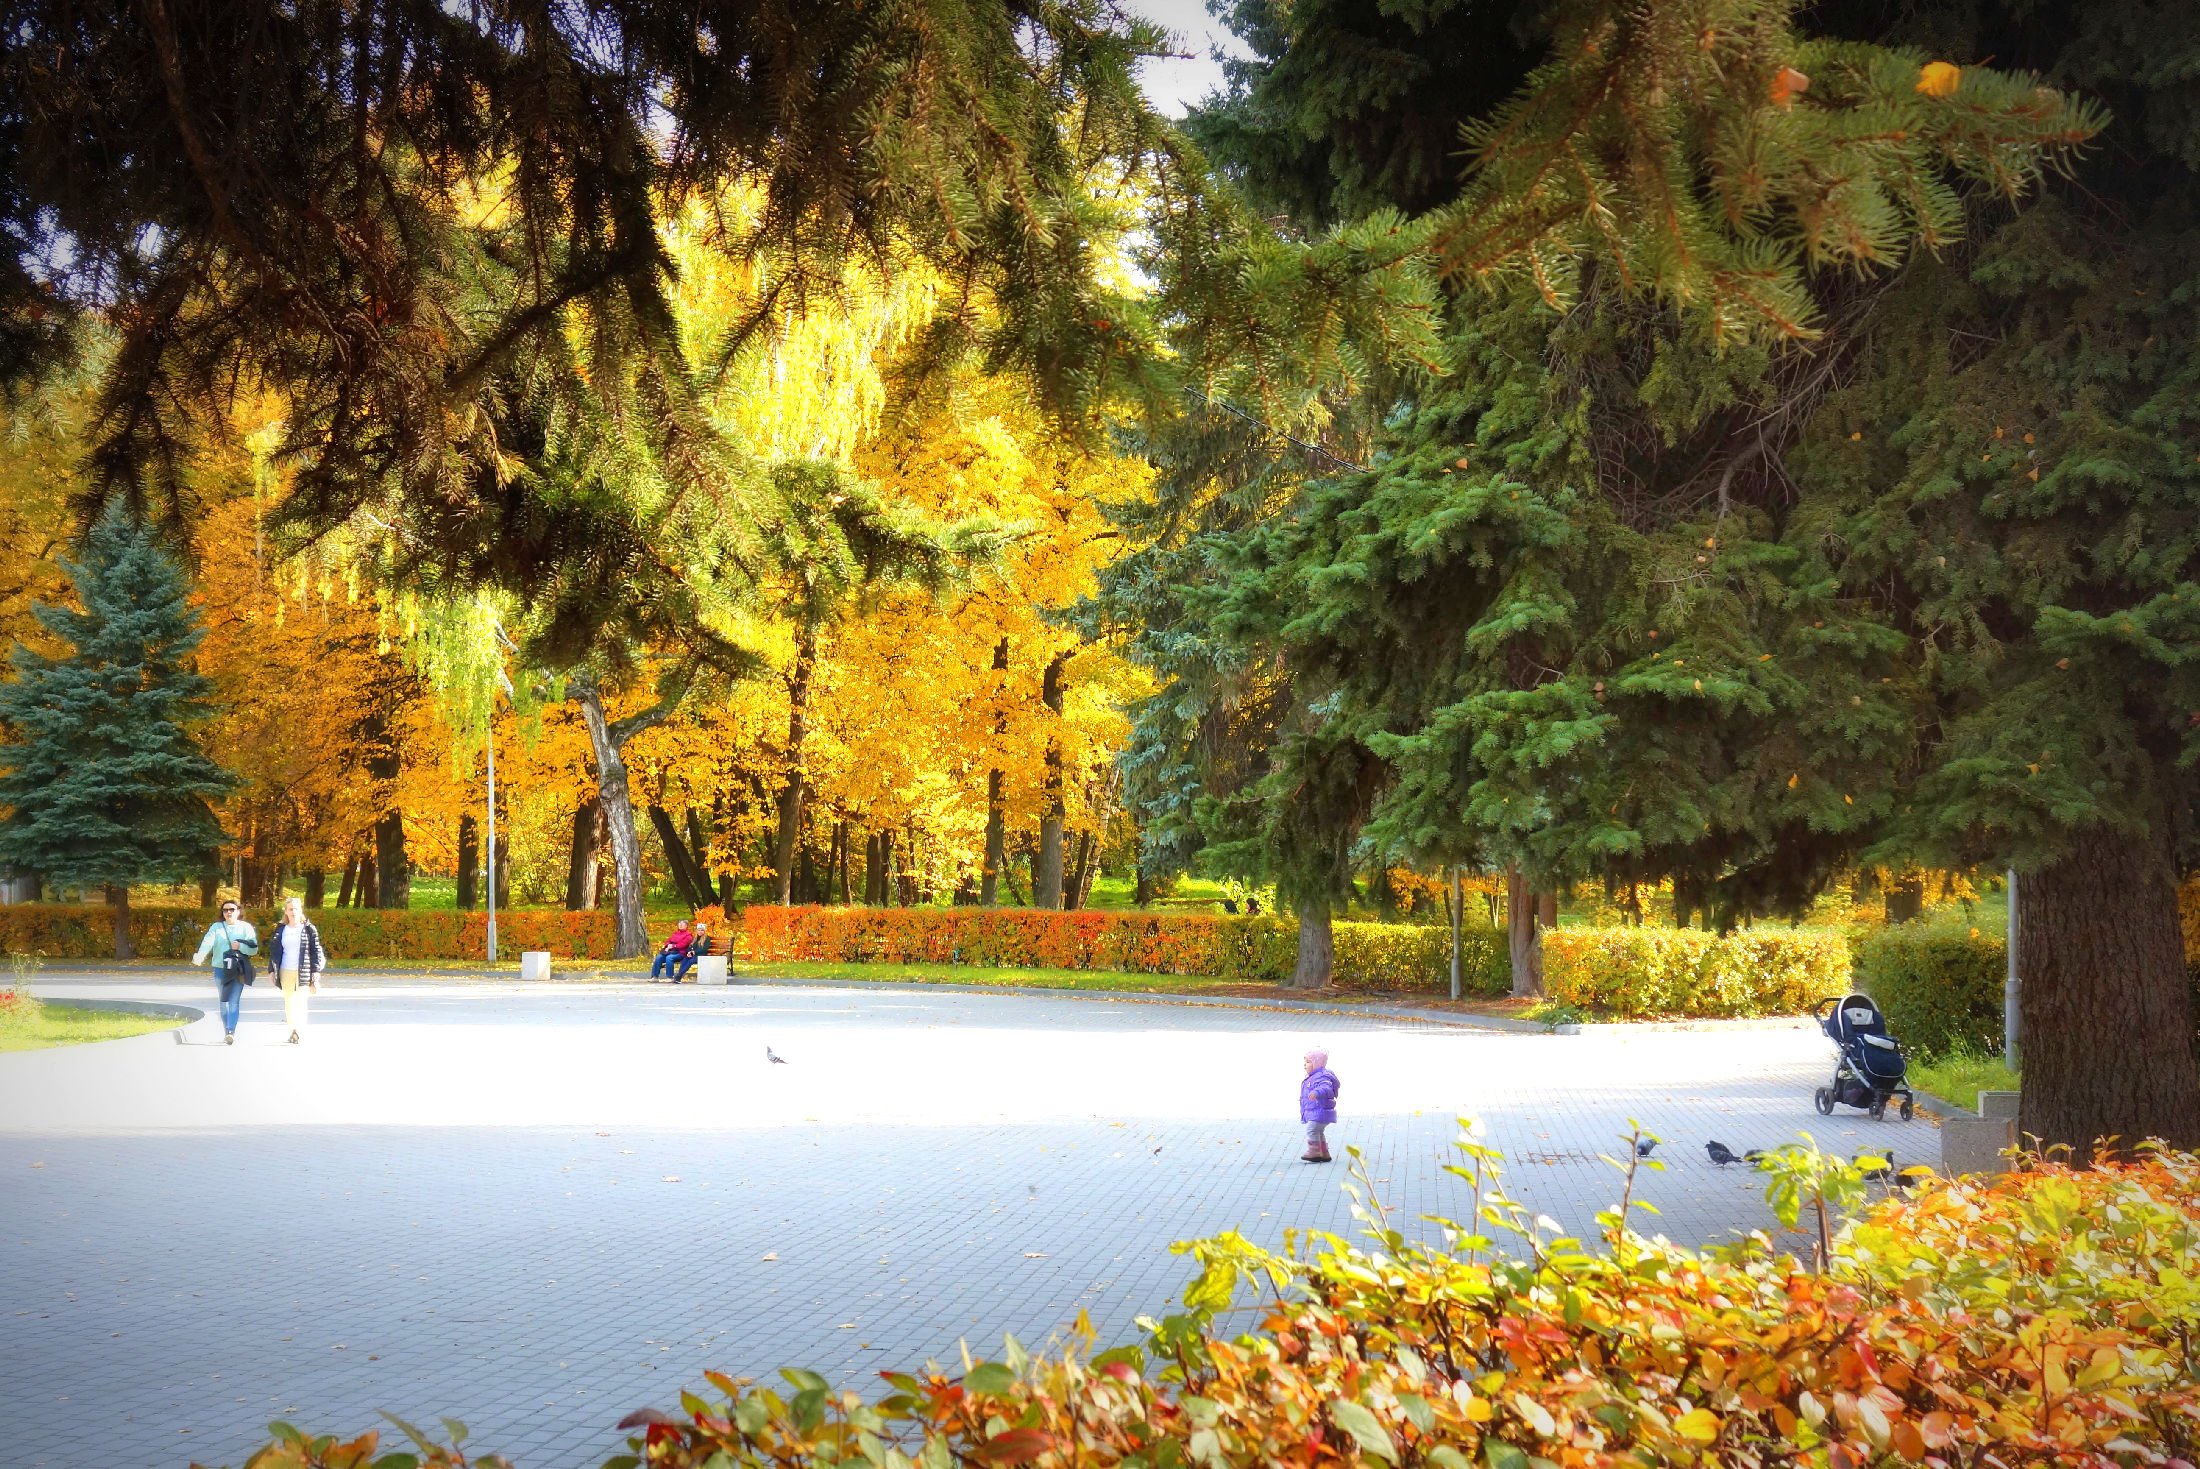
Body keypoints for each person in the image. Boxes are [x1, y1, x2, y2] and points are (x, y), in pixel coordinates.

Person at [190, 899, 258, 1045]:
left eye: (232, 909)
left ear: (238, 911)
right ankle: (226, 1030)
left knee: (234, 1001)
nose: (228, 912)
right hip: (221, 969)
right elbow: (207, 942)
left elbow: (254, 949)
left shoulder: (246, 928)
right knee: (224, 1000)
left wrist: (240, 946)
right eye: (225, 910)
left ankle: (230, 1031)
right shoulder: (217, 927)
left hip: (238, 968)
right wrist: (200, 956)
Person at [264, 895, 328, 1045]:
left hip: (304, 970)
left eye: (296, 909)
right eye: (290, 909)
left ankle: (298, 1030)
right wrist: (271, 971)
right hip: (285, 970)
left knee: (301, 1001)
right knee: (289, 1002)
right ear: (286, 912)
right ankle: (292, 1029)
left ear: (301, 910)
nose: (293, 912)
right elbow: (274, 952)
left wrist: (316, 971)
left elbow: (316, 951)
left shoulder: (308, 929)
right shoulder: (281, 929)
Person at [1299, 1047, 1341, 1163]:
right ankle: (1324, 1152)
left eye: (1308, 1062)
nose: (1305, 1065)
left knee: (1312, 1130)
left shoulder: (1322, 1076)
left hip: (1320, 1111)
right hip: (1320, 1111)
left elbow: (1326, 1087)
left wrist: (1316, 1092)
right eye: (1305, 1062)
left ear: (1317, 1063)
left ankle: (1314, 1152)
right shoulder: (1315, 1076)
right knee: (1319, 1131)